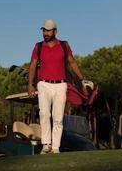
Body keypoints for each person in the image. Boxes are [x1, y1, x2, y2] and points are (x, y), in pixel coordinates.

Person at [28, 19, 84, 154]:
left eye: (48, 30)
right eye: (44, 30)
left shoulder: (64, 45)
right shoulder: (38, 46)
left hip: (61, 85)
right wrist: (30, 84)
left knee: (58, 117)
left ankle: (55, 147)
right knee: (44, 114)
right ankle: (46, 145)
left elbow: (72, 61)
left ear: (55, 31)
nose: (45, 33)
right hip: (43, 84)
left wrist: (82, 79)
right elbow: (33, 65)